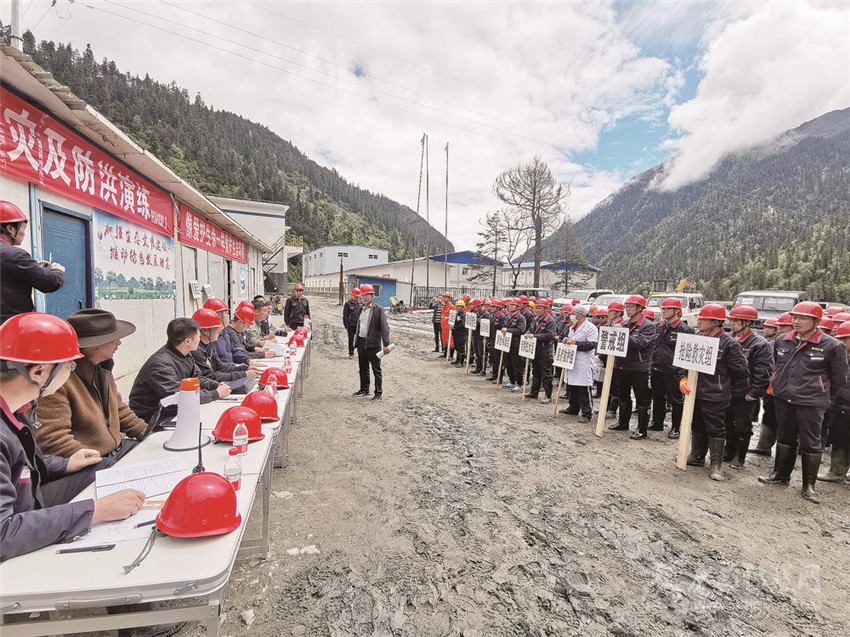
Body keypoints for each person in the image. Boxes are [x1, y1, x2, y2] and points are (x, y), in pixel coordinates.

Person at [0, 312, 146, 561]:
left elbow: (19, 467)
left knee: (106, 470)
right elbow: (3, 534)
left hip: (29, 500)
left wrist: (64, 464)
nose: (72, 371)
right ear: (39, 372)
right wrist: (95, 510)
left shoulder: (16, 411)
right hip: (16, 524)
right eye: (70, 365)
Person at [759, 302, 848, 503]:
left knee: (811, 443)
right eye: (794, 317)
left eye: (803, 318)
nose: (796, 322)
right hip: (783, 399)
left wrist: (822, 396)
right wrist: (778, 385)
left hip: (811, 402)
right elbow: (776, 367)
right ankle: (780, 475)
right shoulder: (782, 341)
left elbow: (840, 379)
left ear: (816, 321)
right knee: (785, 437)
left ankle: (809, 485)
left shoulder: (832, 346)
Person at [35, 309, 147, 465]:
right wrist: (98, 462)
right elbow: (52, 438)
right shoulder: (58, 382)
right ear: (95, 346)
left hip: (115, 452)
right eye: (114, 339)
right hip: (88, 463)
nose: (119, 343)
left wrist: (146, 432)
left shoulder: (101, 369)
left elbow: (118, 409)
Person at [680, 305, 749, 481]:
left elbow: (741, 372)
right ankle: (697, 456)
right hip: (694, 392)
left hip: (715, 395)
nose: (699, 321)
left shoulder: (729, 344)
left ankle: (716, 465)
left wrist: (724, 387)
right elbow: (684, 363)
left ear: (716, 322)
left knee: (715, 428)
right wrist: (683, 378)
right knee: (697, 424)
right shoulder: (697, 339)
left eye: (703, 319)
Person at [129, 318, 231, 424]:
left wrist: (216, 385)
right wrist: (215, 394)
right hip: (154, 418)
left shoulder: (184, 354)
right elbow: (180, 396)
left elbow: (196, 379)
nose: (200, 339)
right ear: (187, 341)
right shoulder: (160, 365)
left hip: (172, 410)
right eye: (198, 336)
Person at [724, 304, 773, 469]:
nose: (732, 323)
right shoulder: (728, 339)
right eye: (732, 320)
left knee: (742, 425)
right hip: (727, 389)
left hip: (745, 392)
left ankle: (739, 457)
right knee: (727, 422)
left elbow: (763, 371)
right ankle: (728, 451)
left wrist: (754, 392)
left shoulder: (759, 344)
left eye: (736, 320)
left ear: (748, 322)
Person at [0, 201, 65, 324]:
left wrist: (34, 268)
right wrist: (57, 270)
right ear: (10, 229)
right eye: (23, 228)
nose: (24, 233)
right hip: (10, 328)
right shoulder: (16, 255)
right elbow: (50, 283)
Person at [609, 295, 656, 440]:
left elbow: (641, 343)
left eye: (630, 307)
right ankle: (623, 423)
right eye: (626, 307)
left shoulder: (648, 326)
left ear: (640, 308)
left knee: (642, 399)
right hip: (623, 366)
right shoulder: (625, 323)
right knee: (623, 395)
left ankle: (642, 429)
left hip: (639, 368)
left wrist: (622, 334)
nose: (627, 309)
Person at [650, 298, 694, 439]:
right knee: (657, 397)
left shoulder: (685, 330)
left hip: (673, 371)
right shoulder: (659, 327)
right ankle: (657, 422)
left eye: (667, 309)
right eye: (662, 309)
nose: (663, 311)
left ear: (676, 311)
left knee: (676, 401)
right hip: (657, 368)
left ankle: (676, 428)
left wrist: (683, 373)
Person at [190, 308, 257, 390]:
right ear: (205, 330)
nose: (220, 330)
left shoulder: (210, 344)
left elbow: (221, 367)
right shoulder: (196, 350)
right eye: (217, 327)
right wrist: (243, 374)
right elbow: (210, 375)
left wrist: (245, 368)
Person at [818, 320, 850, 483]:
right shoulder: (838, 356)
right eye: (840, 338)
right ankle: (837, 471)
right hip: (840, 405)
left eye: (845, 339)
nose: (842, 342)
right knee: (839, 440)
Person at [749, 317, 781, 456]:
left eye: (770, 327)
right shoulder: (771, 344)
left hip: (789, 391)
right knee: (769, 416)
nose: (766, 329)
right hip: (772, 387)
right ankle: (764, 446)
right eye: (765, 327)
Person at [560, 305, 599, 422]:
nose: (571, 315)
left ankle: (587, 412)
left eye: (573, 313)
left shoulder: (590, 328)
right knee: (571, 386)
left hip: (583, 362)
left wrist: (574, 343)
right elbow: (570, 339)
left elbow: (591, 345)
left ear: (580, 314)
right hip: (572, 360)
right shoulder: (572, 327)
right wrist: (565, 340)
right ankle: (573, 407)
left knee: (583, 388)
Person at [352, 284, 390, 401]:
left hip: (373, 344)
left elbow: (384, 327)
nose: (364, 297)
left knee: (376, 369)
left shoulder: (378, 309)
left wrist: (386, 344)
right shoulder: (360, 309)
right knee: (363, 368)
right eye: (363, 295)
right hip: (362, 342)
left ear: (372, 295)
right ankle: (364, 389)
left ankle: (378, 393)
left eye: (367, 295)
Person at [525, 299, 557, 403]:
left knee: (546, 374)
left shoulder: (550, 321)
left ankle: (548, 395)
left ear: (546, 309)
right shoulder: (535, 319)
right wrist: (528, 333)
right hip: (535, 349)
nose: (537, 310)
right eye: (536, 308)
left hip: (545, 351)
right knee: (535, 371)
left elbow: (549, 335)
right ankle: (534, 392)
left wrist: (534, 336)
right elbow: (530, 329)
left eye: (540, 308)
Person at [604, 301, 625, 417]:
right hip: (608, 359)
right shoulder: (609, 325)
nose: (608, 313)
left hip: (618, 361)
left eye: (611, 311)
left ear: (618, 313)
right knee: (607, 384)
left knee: (615, 386)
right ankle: (605, 407)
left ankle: (612, 409)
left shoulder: (622, 325)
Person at [501, 299, 527, 392]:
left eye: (513, 305)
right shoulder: (508, 316)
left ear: (518, 307)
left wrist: (508, 330)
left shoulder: (521, 318)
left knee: (517, 364)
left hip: (516, 344)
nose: (511, 306)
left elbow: (521, 330)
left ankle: (519, 383)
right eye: (510, 305)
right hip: (508, 343)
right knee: (509, 363)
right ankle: (512, 381)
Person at [344, 288, 362, 357]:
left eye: (357, 297)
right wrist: (346, 325)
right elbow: (345, 315)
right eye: (355, 296)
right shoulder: (347, 304)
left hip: (358, 325)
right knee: (351, 339)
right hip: (351, 325)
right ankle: (351, 353)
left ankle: (360, 353)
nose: (356, 298)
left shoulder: (359, 304)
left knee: (359, 339)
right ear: (352, 295)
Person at [451, 300, 467, 367]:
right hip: (456, 333)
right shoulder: (457, 314)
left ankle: (461, 362)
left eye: (459, 306)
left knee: (461, 348)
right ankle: (457, 360)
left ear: (462, 307)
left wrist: (454, 327)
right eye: (457, 306)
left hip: (461, 334)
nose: (457, 307)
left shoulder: (463, 315)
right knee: (457, 347)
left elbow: (463, 325)